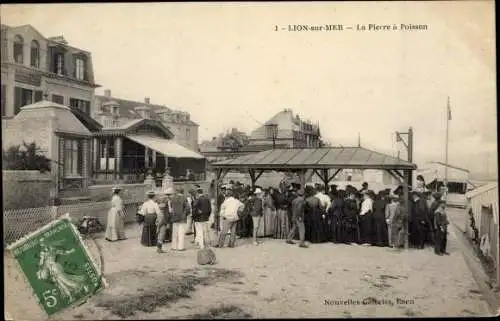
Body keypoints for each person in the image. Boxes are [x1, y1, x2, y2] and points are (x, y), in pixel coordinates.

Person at [156, 188, 173, 253]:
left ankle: (159, 247)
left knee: (160, 235)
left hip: (160, 221)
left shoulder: (159, 211)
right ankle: (159, 248)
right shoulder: (163, 212)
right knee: (161, 235)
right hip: (163, 222)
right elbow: (162, 220)